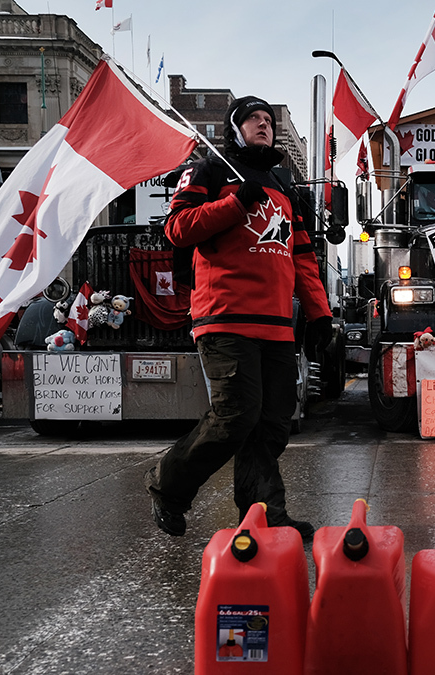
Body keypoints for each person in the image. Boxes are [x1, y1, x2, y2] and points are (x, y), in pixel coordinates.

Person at [144, 96, 332, 538]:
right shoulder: (210, 170)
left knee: (272, 423)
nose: (263, 125)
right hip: (224, 315)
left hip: (276, 323)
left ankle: (264, 515)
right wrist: (234, 204)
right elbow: (176, 228)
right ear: (235, 127)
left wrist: (320, 315)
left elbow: (302, 256)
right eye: (254, 119)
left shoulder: (284, 183)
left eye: (269, 120)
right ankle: (167, 486)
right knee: (236, 416)